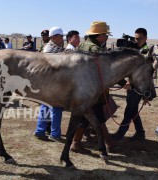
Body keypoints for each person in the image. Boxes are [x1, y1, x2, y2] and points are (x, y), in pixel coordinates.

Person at [70, 22, 119, 153]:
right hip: (93, 89)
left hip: (81, 87)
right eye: (105, 35)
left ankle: (78, 143)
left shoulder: (83, 45)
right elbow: (106, 71)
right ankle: (107, 143)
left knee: (87, 116)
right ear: (100, 35)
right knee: (97, 116)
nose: (106, 38)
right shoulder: (96, 49)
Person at [112, 28, 150, 141]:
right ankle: (140, 132)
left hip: (139, 86)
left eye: (139, 39)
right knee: (133, 109)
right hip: (133, 85)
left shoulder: (146, 50)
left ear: (145, 38)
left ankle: (120, 134)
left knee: (129, 110)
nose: (136, 41)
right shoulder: (137, 49)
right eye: (135, 38)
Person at [34, 27, 65, 142]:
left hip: (49, 83)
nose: (62, 38)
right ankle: (55, 134)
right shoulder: (49, 49)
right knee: (56, 107)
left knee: (45, 106)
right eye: (61, 36)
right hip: (52, 83)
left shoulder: (55, 48)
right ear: (54, 37)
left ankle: (40, 130)